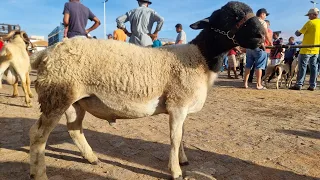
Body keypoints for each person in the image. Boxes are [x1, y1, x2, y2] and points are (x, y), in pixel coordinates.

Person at [291, 8, 320, 91]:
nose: (308, 17)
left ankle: (299, 84)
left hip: (306, 49)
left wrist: (297, 31)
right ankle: (312, 85)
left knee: (302, 67)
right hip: (316, 50)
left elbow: (298, 34)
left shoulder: (309, 23)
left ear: (314, 15)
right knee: (314, 67)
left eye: (309, 15)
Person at [244, 8, 272, 89]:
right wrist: (270, 42)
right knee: (259, 66)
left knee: (248, 65)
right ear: (262, 14)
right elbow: (266, 34)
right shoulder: (262, 22)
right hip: (259, 45)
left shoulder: (250, 21)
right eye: (265, 15)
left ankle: (245, 83)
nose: (265, 16)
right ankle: (258, 84)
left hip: (249, 46)